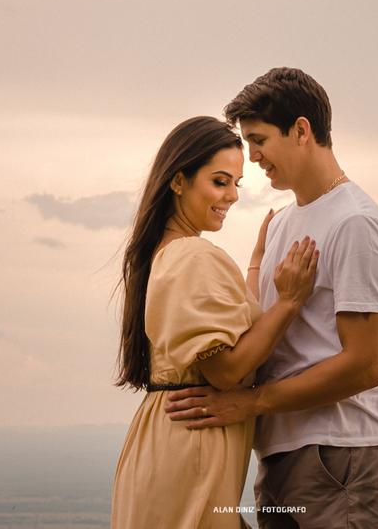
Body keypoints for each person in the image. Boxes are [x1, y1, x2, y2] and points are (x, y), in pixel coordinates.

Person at [165, 69, 378, 529]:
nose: (252, 158)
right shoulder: (281, 224)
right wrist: (256, 263)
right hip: (281, 454)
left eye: (259, 140)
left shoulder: (354, 222)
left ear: (301, 130)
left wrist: (249, 404)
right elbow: (258, 327)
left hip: (342, 457)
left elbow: (365, 365)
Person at [111, 115, 320, 529]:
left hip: (169, 442)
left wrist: (258, 260)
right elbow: (224, 370)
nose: (232, 196)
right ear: (178, 182)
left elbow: (232, 321)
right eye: (219, 181)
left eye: (237, 184)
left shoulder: (170, 254)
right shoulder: (193, 256)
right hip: (191, 447)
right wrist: (290, 302)